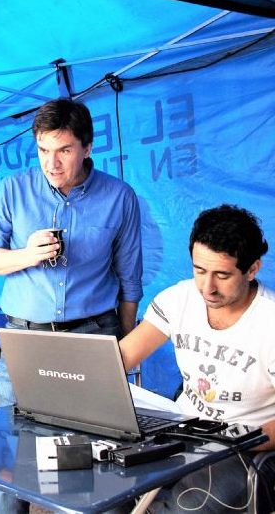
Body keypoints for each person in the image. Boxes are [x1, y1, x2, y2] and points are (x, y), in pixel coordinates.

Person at [0, 98, 143, 512]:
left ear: (86, 147)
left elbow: (130, 280)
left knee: (99, 458)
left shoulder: (119, 197)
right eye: (43, 150)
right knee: (15, 459)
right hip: (25, 340)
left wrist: (123, 347)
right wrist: (28, 254)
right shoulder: (12, 190)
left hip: (93, 337)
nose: (52, 163)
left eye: (64, 150)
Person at [120, 205, 275, 512]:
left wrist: (230, 442)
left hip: (245, 449)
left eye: (222, 275)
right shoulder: (180, 298)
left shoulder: (269, 322)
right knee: (109, 488)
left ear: (253, 268)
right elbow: (122, 356)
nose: (207, 287)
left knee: (187, 506)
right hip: (184, 431)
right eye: (199, 270)